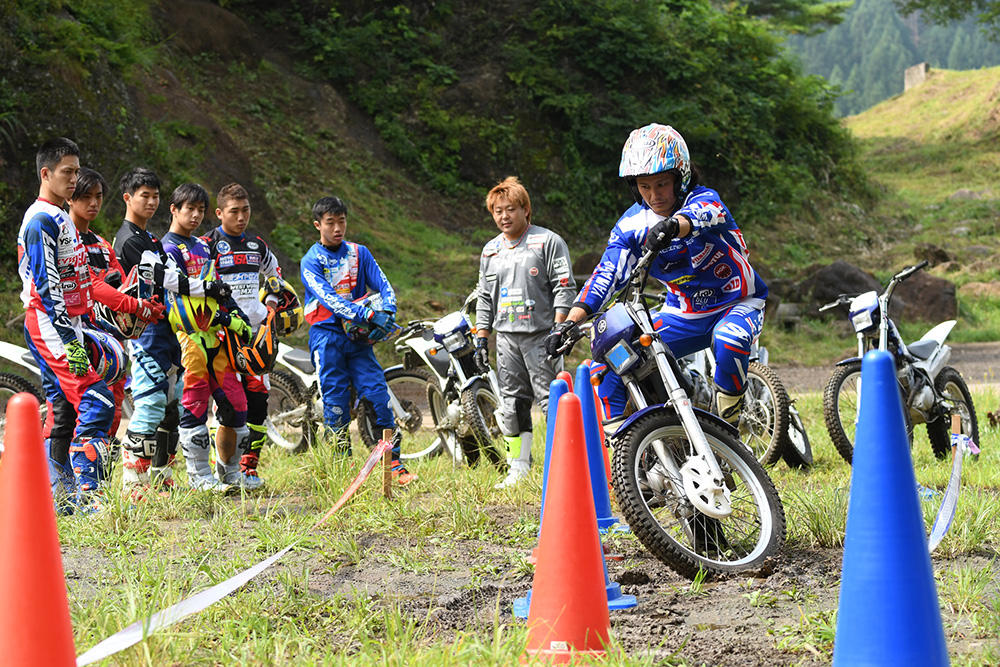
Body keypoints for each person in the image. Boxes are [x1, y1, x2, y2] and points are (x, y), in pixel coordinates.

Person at [545, 123, 767, 426]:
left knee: (729, 339)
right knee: (609, 366)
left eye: (661, 184)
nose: (653, 195)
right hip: (683, 315)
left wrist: (674, 226)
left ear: (681, 177)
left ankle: (731, 430)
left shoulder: (705, 199)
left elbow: (704, 214)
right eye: (644, 186)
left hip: (737, 302)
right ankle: (628, 453)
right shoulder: (631, 226)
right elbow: (607, 274)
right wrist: (569, 323)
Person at [113, 168, 231, 492]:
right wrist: (207, 288)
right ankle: (133, 485)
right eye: (144, 196)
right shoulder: (127, 240)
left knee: (170, 408)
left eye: (154, 196)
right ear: (128, 198)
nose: (150, 202)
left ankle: (161, 478)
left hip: (169, 331)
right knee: (150, 405)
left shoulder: (148, 238)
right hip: (145, 334)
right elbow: (169, 279)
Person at [18, 138, 115, 510]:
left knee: (63, 409)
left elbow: (75, 279)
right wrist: (70, 338)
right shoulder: (41, 218)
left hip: (68, 323)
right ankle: (90, 496)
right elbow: (47, 286)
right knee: (96, 398)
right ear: (46, 174)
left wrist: (87, 323)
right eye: (67, 172)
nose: (74, 179)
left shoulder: (60, 215)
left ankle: (57, 496)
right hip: (48, 323)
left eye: (77, 171)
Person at [51, 167, 165, 471]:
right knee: (69, 412)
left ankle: (97, 486)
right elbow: (94, 284)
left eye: (98, 196)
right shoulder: (65, 239)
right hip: (72, 336)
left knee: (112, 411)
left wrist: (145, 303)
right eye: (84, 197)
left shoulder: (101, 243)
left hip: (110, 339)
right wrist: (136, 306)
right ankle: (62, 487)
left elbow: (122, 281)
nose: (93, 203)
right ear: (70, 200)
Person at [299, 195, 415, 486]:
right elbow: (330, 300)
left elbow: (384, 286)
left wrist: (387, 312)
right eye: (330, 223)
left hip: (360, 339)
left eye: (342, 221)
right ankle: (342, 469)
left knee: (378, 396)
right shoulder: (311, 261)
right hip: (327, 338)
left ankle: (393, 464)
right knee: (336, 404)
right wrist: (367, 313)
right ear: (318, 225)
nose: (337, 228)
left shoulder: (359, 253)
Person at [474, 176, 576, 488]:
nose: (504, 217)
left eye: (511, 210)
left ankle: (566, 466)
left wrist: (559, 329)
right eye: (498, 211)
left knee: (551, 401)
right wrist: (481, 337)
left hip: (541, 335)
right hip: (505, 337)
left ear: (526, 210)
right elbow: (483, 296)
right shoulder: (490, 251)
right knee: (512, 403)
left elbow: (565, 286)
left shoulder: (547, 242)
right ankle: (518, 466)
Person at [160, 183, 250, 491]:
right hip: (188, 339)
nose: (196, 215)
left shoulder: (202, 246)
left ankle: (231, 473)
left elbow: (219, 287)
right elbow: (175, 293)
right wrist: (219, 312)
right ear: (174, 210)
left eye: (201, 210)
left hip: (217, 340)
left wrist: (235, 315)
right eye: (190, 209)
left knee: (237, 407)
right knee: (195, 405)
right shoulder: (166, 248)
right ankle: (200, 477)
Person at [202, 183, 283, 490]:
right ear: (219, 212)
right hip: (223, 335)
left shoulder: (256, 244)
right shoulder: (208, 243)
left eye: (245, 210)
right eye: (233, 211)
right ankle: (220, 467)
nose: (241, 217)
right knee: (226, 405)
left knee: (259, 401)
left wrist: (272, 305)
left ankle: (249, 467)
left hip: (255, 336)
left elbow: (275, 274)